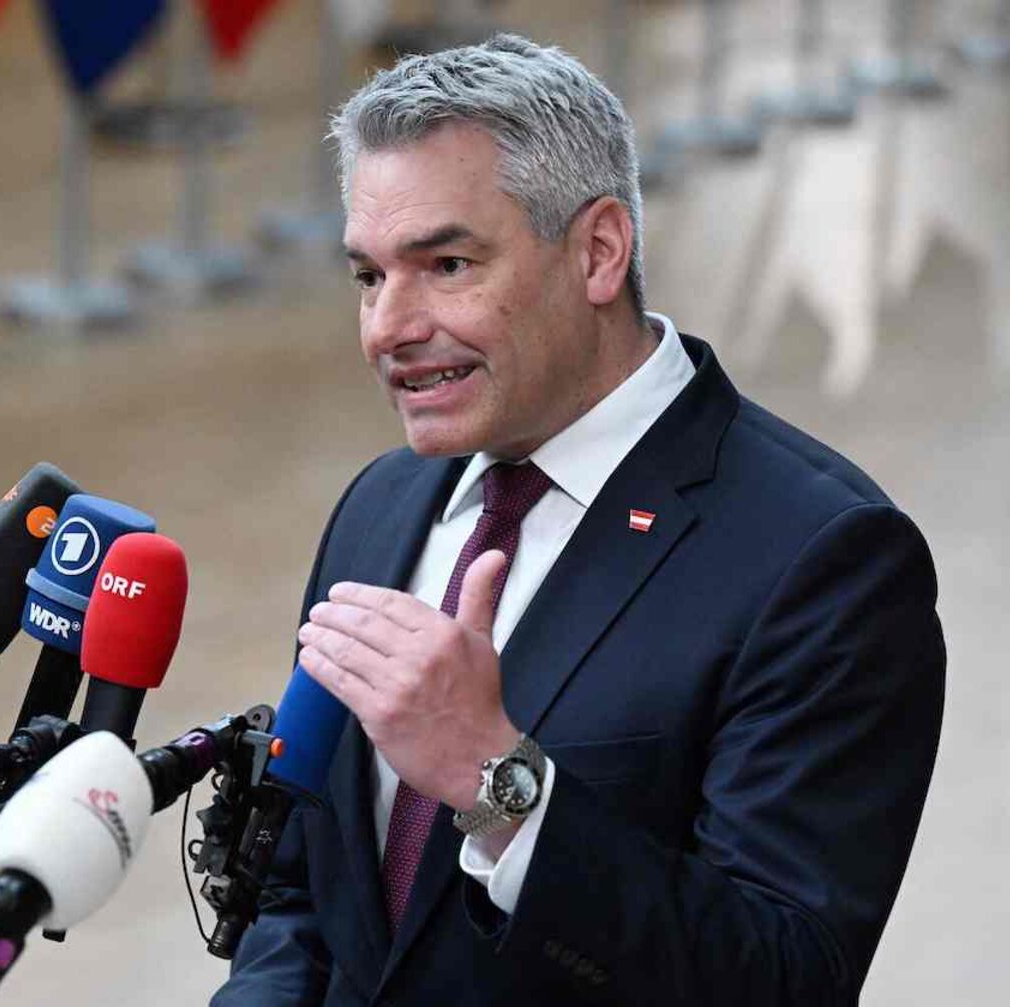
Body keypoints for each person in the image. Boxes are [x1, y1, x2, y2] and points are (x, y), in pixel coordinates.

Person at [214, 34, 944, 1006]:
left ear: (599, 251)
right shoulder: (378, 508)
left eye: (446, 262)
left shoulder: (824, 559)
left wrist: (501, 785)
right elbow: (302, 894)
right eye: (368, 275)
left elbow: (785, 977)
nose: (388, 325)